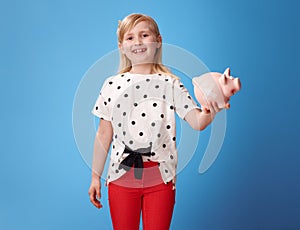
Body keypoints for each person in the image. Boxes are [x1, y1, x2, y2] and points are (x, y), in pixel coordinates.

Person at [88, 13, 221, 230]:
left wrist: (212, 108)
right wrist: (95, 177)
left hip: (160, 178)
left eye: (144, 35)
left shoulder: (171, 84)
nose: (138, 42)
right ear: (121, 46)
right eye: (130, 38)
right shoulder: (112, 85)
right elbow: (104, 134)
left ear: (158, 41)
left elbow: (197, 121)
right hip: (122, 177)